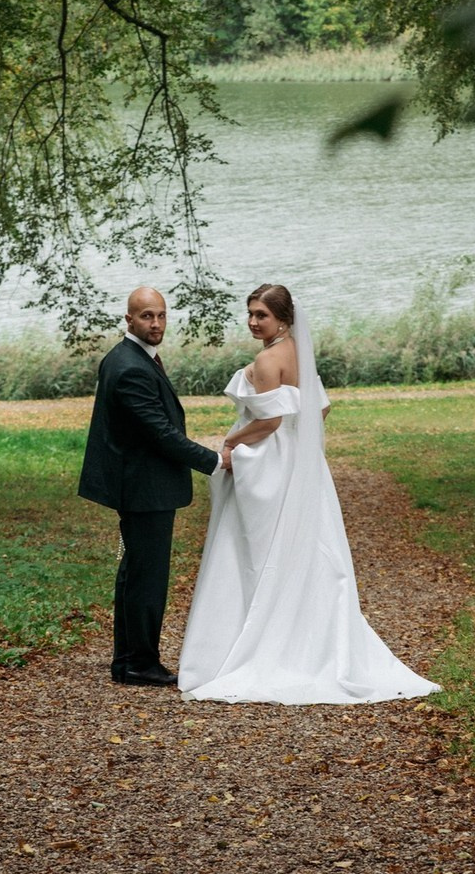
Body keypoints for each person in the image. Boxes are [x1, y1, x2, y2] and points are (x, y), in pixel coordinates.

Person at [178, 283, 440, 704]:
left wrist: (230, 443)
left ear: (283, 319)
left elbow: (269, 423)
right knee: (309, 548)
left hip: (273, 464)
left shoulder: (267, 360)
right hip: (302, 465)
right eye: (249, 313)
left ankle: (267, 641)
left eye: (261, 315)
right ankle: (312, 640)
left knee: (260, 551)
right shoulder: (302, 353)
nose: (252, 321)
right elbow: (319, 409)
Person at [79, 286, 233, 687]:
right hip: (144, 489)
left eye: (161, 315)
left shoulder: (130, 357)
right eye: (147, 316)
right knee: (146, 576)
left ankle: (128, 660)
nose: (156, 324)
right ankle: (139, 663)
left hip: (139, 484)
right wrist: (215, 461)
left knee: (134, 572)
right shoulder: (128, 366)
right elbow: (160, 433)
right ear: (128, 319)